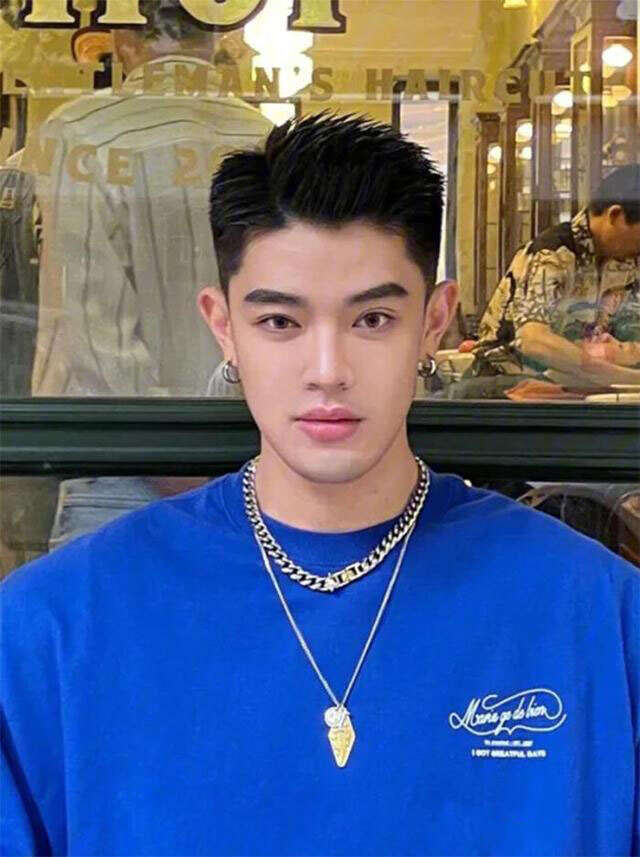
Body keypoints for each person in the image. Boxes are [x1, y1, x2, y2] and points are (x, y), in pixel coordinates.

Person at [2, 113, 638, 857]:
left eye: (373, 318)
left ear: (434, 321)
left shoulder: (597, 616)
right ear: (223, 325)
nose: (328, 369)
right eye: (280, 321)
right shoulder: (53, 630)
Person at [30, 0, 272, 397]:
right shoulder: (265, 135)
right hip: (249, 418)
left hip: (133, 425)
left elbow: (91, 334)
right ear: (217, 34)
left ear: (121, 32)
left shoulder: (82, 132)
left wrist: (160, 423)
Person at [468, 164, 640, 393]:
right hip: (504, 384)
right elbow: (533, 341)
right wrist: (622, 377)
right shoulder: (553, 253)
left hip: (574, 387)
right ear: (615, 216)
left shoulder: (627, 262)